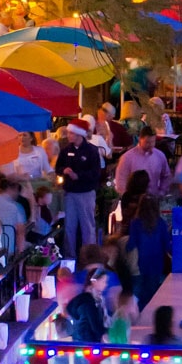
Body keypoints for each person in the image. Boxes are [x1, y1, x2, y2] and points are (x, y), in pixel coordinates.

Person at [55, 118, 102, 259]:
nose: (69, 136)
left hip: (86, 193)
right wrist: (64, 171)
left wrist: (79, 176)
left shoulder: (91, 151)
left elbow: (95, 173)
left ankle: (89, 257)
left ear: (79, 134)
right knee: (70, 227)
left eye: (71, 133)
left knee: (87, 227)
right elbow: (58, 168)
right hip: (70, 193)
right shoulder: (65, 151)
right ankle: (70, 257)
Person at [126, 195, 169, 309]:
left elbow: (131, 244)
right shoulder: (161, 223)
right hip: (156, 262)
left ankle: (139, 313)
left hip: (140, 263)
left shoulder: (135, 223)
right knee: (153, 290)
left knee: (139, 291)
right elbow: (166, 245)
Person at [114, 126, 171, 197]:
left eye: (153, 142)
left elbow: (166, 175)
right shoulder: (127, 157)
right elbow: (121, 180)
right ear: (140, 139)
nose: (150, 145)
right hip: (134, 200)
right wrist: (126, 198)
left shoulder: (160, 156)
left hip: (153, 199)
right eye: (147, 142)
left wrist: (162, 192)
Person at [65, 267, 110, 342]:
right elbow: (95, 327)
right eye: (103, 281)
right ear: (94, 281)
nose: (106, 285)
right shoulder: (87, 302)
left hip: (86, 342)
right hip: (86, 344)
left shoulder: (95, 300)